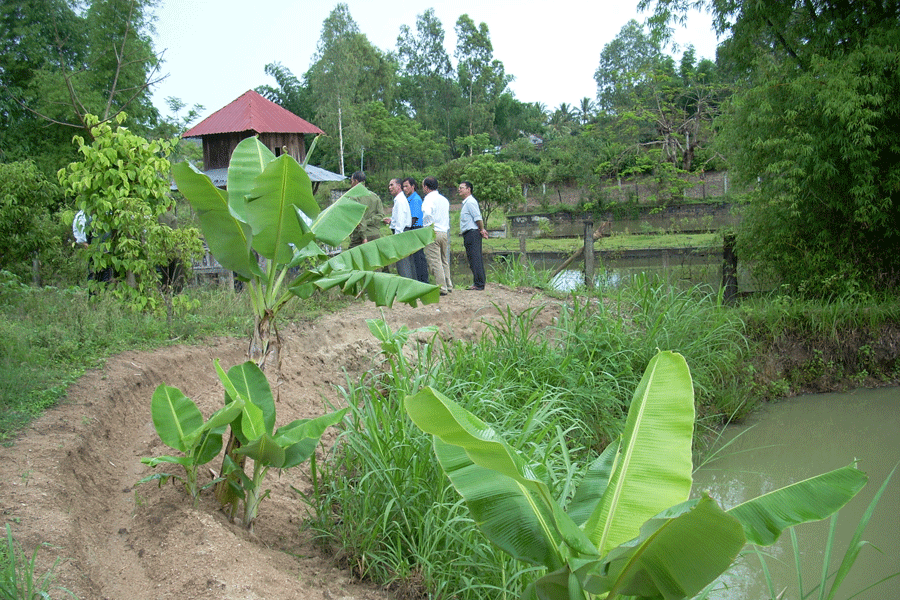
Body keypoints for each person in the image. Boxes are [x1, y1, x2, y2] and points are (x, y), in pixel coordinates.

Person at [421, 177, 453, 295]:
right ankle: (448, 284)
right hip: (444, 232)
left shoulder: (428, 199)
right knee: (444, 259)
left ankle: (441, 287)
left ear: (426, 187)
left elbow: (427, 213)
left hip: (433, 231)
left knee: (435, 260)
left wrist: (428, 226)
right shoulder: (444, 199)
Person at [458, 180, 488, 290]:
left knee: (475, 258)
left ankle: (479, 283)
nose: (459, 190)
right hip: (468, 233)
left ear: (468, 189)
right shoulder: (466, 202)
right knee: (472, 258)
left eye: (462, 188)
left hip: (473, 233)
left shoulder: (470, 202)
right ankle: (478, 281)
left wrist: (481, 229)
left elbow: (477, 218)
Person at [402, 177, 430, 284]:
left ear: (413, 186)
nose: (404, 189)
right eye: (403, 186)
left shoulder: (415, 200)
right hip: (413, 229)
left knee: (419, 258)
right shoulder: (409, 199)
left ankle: (423, 281)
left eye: (406, 186)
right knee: (414, 259)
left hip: (415, 229)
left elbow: (413, 218)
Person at [348, 171, 386, 248]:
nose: (351, 184)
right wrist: (369, 221)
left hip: (360, 236)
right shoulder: (374, 196)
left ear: (356, 181)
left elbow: (359, 220)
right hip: (375, 234)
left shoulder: (354, 197)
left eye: (351, 181)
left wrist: (364, 237)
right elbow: (381, 215)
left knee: (353, 258)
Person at [388, 178, 415, 279]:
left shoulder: (400, 200)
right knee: (405, 261)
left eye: (392, 185)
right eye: (389, 186)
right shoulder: (399, 199)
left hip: (401, 233)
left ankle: (407, 286)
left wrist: (397, 237)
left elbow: (400, 221)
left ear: (399, 186)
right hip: (403, 232)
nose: (390, 188)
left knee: (403, 262)